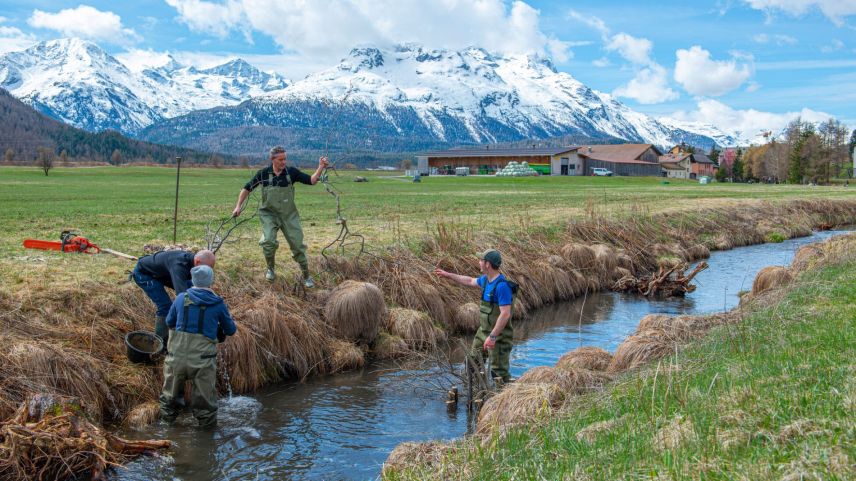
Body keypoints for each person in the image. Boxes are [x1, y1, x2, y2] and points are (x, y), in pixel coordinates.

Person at [232, 146, 329, 286]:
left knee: (297, 245)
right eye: (281, 159)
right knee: (268, 242)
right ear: (272, 159)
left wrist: (320, 167)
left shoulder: (292, 173)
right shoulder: (263, 174)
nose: (284, 162)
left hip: (289, 215)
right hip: (269, 215)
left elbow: (312, 180)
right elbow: (246, 188)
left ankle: (306, 275)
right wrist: (238, 206)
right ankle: (270, 269)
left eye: (285, 159)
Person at [159, 265, 236, 428]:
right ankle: (206, 442)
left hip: (176, 358)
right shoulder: (217, 303)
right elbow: (231, 330)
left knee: (169, 399)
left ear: (192, 280)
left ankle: (166, 431)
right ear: (210, 282)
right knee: (205, 406)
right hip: (203, 361)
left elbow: (168, 322)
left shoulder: (180, 298)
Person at [434, 249, 515, 383]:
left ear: (487, 264)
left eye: (480, 260)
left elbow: (505, 314)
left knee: (499, 374)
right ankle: (476, 394)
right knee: (472, 365)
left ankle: (503, 400)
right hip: (483, 332)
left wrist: (493, 337)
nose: (479, 262)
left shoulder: (502, 287)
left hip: (499, 337)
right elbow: (469, 280)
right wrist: (448, 275)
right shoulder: (485, 280)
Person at [133, 249, 216, 349]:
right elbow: (183, 298)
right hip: (145, 274)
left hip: (162, 273)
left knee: (192, 289)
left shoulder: (192, 260)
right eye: (206, 268)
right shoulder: (178, 267)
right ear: (197, 262)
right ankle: (160, 344)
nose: (207, 272)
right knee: (165, 307)